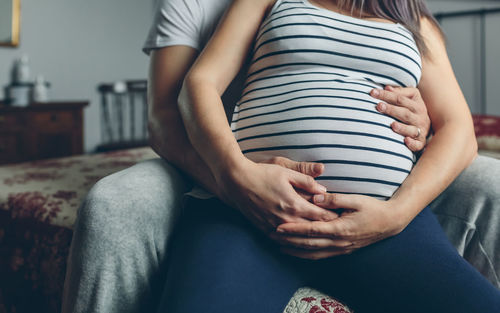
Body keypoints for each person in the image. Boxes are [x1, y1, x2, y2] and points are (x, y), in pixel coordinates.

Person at [61, 0, 500, 312]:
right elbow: (199, 86)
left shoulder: (414, 18)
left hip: (383, 223)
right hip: (246, 218)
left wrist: (396, 215)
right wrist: (236, 174)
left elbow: (459, 132)